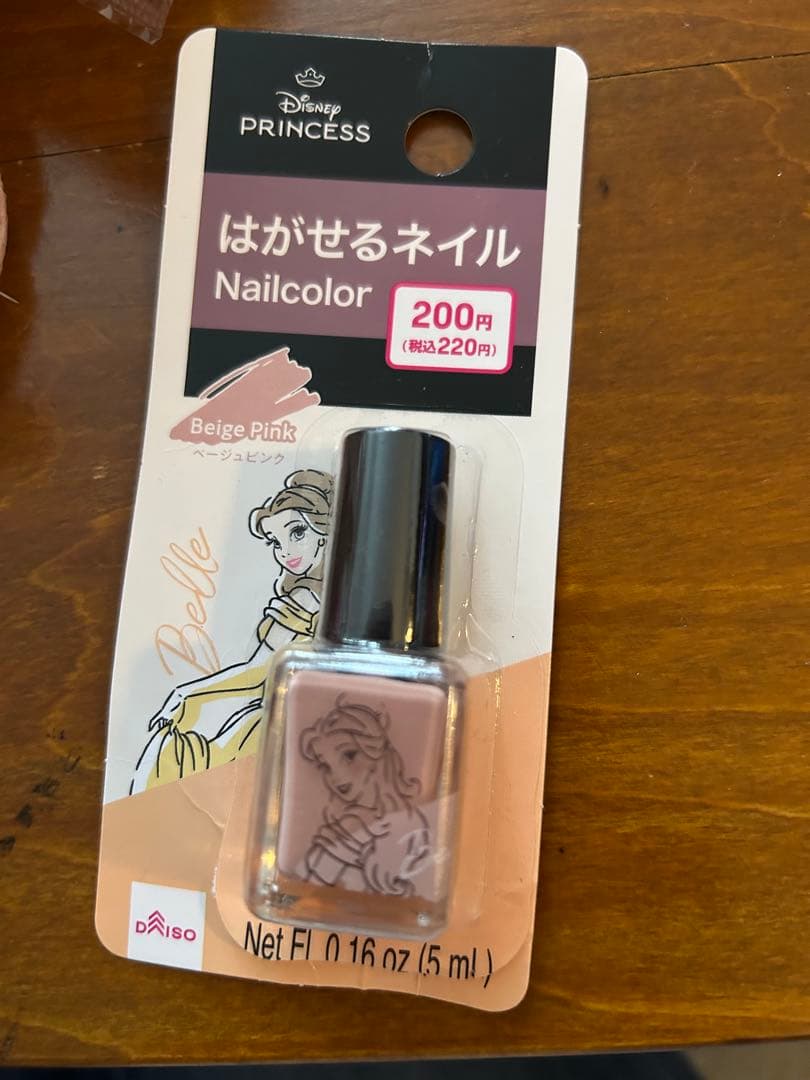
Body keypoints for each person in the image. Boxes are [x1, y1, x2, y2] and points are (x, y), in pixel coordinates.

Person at [130, 469, 332, 793]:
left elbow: (259, 670)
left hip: (285, 712)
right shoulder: (323, 598)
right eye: (276, 542)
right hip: (307, 711)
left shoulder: (306, 598)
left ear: (324, 530)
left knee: (183, 739)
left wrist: (184, 695)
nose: (285, 552)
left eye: (297, 532)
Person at [298, 695, 431, 896]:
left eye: (349, 755)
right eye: (326, 766)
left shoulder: (413, 823)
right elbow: (310, 885)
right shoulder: (352, 823)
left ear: (377, 752)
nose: (336, 775)